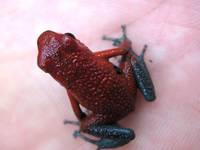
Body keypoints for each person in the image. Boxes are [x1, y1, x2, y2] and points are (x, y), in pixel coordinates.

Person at [1, 1, 200, 150]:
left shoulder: (70, 90)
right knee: (130, 59)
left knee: (85, 126)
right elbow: (124, 50)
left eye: (68, 40)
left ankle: (102, 142)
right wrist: (125, 42)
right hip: (128, 90)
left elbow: (79, 116)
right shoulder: (94, 57)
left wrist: (82, 124)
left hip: (109, 113)